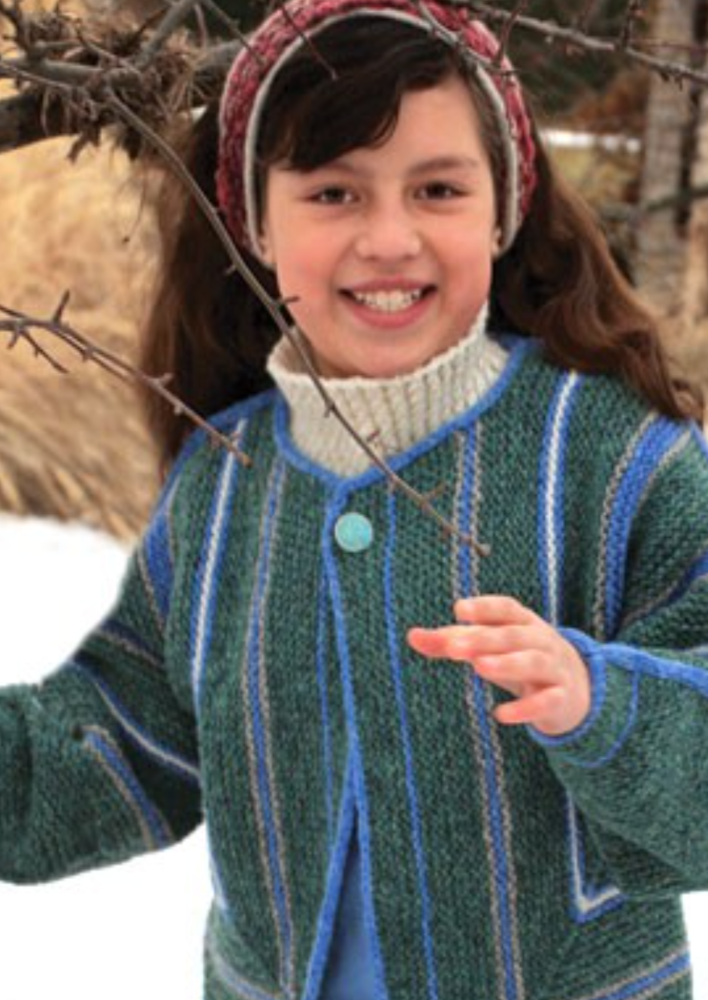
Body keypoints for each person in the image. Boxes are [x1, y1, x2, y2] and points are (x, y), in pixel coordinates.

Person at [4, 0, 708, 997]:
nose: (389, 238)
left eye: (438, 189)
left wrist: (604, 704)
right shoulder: (224, 480)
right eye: (333, 192)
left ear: (503, 209)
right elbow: (118, 740)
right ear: (256, 222)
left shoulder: (616, 456)